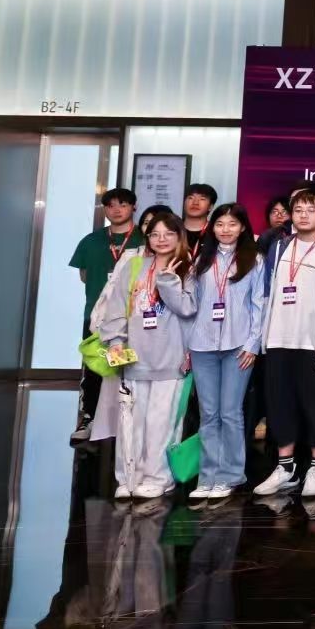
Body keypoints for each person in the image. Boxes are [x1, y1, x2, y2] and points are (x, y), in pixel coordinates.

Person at [254, 189, 315, 498]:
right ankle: (286, 468)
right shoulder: (279, 246)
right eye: (298, 210)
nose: (304, 215)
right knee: (280, 403)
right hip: (278, 338)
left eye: (311, 210)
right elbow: (265, 293)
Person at [100, 213, 196, 499]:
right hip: (134, 359)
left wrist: (167, 282)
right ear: (148, 238)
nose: (161, 239)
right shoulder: (134, 267)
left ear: (179, 236)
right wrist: (115, 341)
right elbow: (116, 308)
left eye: (168, 234)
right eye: (155, 234)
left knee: (161, 422)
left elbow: (189, 310)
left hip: (171, 360)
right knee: (131, 422)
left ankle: (159, 477)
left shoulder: (189, 269)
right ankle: (129, 477)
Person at [178, 204, 267, 501]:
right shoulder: (201, 261)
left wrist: (253, 344)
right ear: (212, 228)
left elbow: (259, 305)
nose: (225, 229)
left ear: (242, 227)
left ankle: (231, 475)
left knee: (230, 412)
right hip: (202, 345)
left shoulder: (254, 259)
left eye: (232, 224)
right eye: (220, 224)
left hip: (238, 346)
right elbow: (190, 306)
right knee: (208, 413)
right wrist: (186, 347)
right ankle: (207, 476)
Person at [70, 187, 140, 442]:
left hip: (133, 319)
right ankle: (90, 418)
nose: (117, 210)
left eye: (123, 204)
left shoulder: (144, 238)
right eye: (110, 205)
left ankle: (126, 421)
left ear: (134, 207)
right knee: (96, 368)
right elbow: (84, 275)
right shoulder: (91, 240)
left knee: (128, 367)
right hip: (97, 318)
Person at [181, 183, 219, 251]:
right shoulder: (172, 228)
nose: (195, 203)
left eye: (202, 199)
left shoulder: (215, 232)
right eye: (191, 198)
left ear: (210, 207)